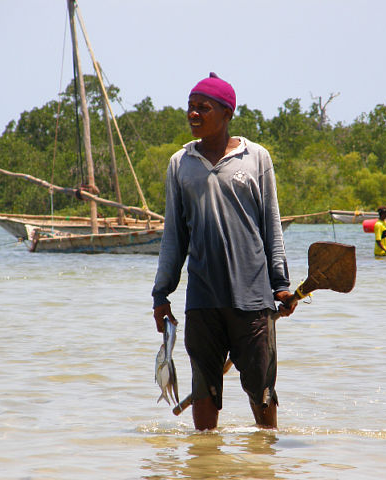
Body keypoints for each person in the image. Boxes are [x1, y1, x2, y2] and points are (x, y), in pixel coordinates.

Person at [151, 73, 296, 431]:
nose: (193, 114)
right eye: (191, 107)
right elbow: (174, 235)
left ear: (227, 112)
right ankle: (205, 462)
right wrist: (161, 294)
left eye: (204, 107)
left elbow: (271, 225)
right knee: (203, 388)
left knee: (261, 390)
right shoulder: (180, 164)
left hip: (252, 298)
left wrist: (280, 284)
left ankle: (265, 460)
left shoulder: (256, 158)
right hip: (202, 298)